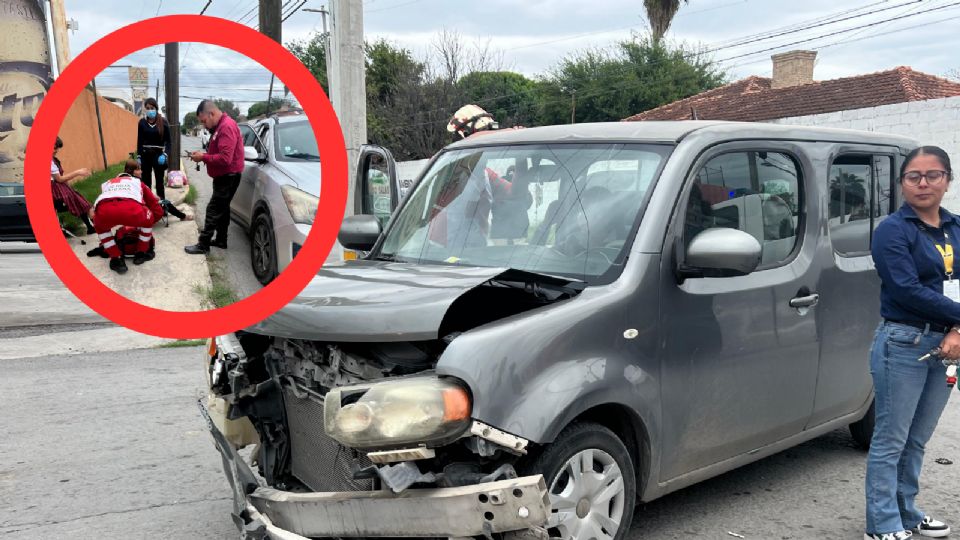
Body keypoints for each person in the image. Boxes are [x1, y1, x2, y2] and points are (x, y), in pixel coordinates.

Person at [866, 145, 960, 540]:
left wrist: (956, 331)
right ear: (902, 183)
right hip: (904, 341)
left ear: (947, 180)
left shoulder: (956, 227)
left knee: (918, 437)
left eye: (933, 175)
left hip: (949, 341)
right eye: (913, 176)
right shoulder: (893, 229)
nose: (923, 183)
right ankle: (882, 522)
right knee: (892, 437)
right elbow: (906, 290)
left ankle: (907, 511)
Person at [184, 99, 244, 255]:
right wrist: (203, 155)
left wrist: (203, 157)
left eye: (204, 121)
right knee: (222, 210)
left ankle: (203, 244)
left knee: (213, 209)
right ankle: (221, 240)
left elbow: (225, 158)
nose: (204, 125)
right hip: (224, 177)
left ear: (211, 114)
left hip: (228, 177)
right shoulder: (220, 126)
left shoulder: (226, 127)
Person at [90, 159, 164, 274]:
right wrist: (154, 218)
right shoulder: (137, 182)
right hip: (131, 210)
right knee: (148, 220)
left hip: (105, 211)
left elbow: (102, 202)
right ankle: (141, 252)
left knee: (101, 228)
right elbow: (154, 204)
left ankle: (116, 259)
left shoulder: (107, 183)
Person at [50, 136, 95, 234]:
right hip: (55, 191)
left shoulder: (53, 160)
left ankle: (91, 227)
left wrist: (70, 188)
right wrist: (78, 172)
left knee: (81, 202)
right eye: (54, 148)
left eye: (57, 148)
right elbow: (59, 179)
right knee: (81, 203)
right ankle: (92, 226)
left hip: (60, 188)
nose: (56, 150)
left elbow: (61, 177)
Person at [136, 97, 171, 200]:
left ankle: (162, 207)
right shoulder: (142, 123)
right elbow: (140, 141)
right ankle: (149, 206)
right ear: (145, 109)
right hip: (145, 156)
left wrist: (165, 155)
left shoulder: (163, 122)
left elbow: (169, 142)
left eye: (152, 108)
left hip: (158, 156)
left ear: (156, 108)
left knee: (159, 183)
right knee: (146, 184)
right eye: (148, 108)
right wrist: (139, 156)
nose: (150, 110)